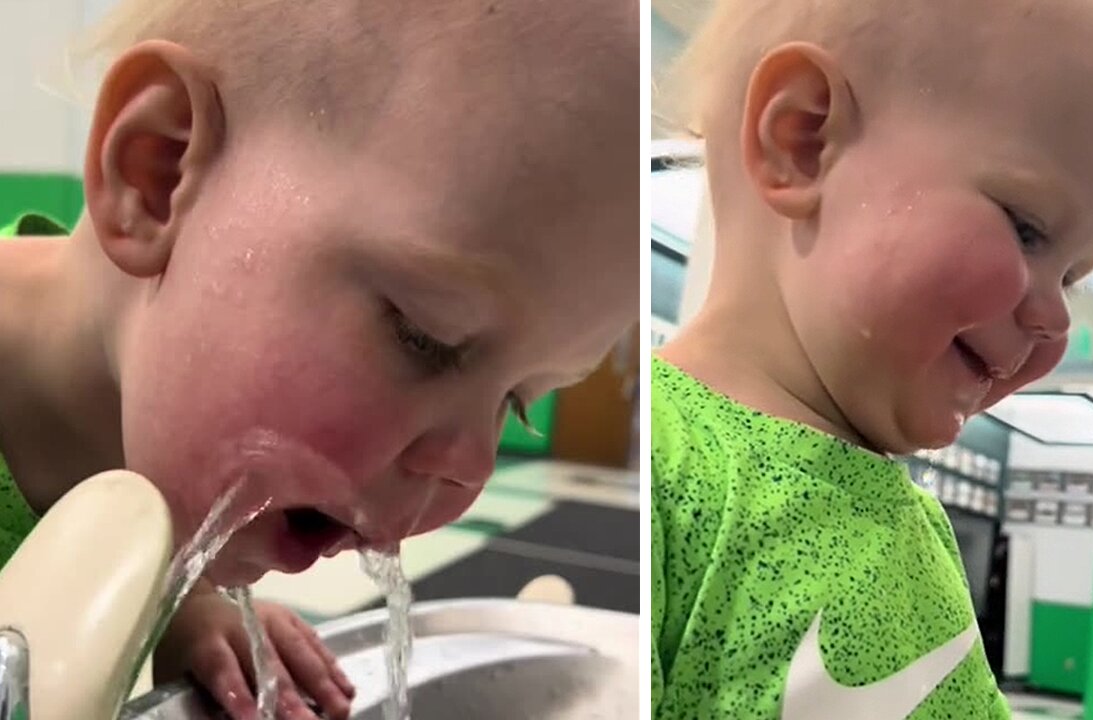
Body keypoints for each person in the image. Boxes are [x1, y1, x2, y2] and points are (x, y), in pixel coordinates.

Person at [0, 0, 639, 718]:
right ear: (160, 173)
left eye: (517, 400)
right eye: (425, 336)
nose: (471, 470)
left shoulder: (134, 413)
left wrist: (185, 607)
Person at [650, 0, 1093, 716]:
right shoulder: (667, 466)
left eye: (1072, 277)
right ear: (804, 141)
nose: (1056, 320)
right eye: (1028, 229)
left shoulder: (916, 523)